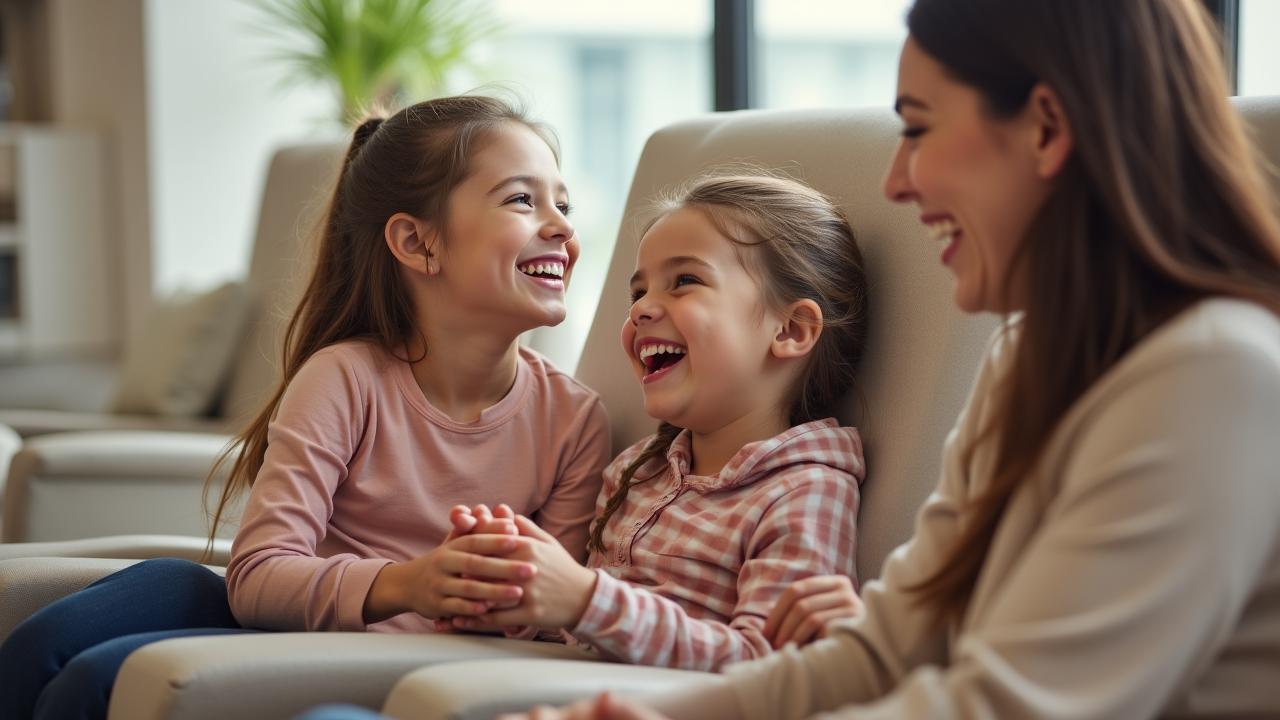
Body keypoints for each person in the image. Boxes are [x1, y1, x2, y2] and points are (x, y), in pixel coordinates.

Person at [512, 0, 1280, 718]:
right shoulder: (1027, 358)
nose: (896, 180)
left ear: (1045, 128)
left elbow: (1004, 707)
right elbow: (883, 650)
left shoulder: (1215, 374)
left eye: (917, 129)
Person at [0, 94, 611, 720]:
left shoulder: (573, 420)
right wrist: (409, 582)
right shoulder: (345, 377)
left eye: (563, 204)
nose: (562, 225)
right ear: (416, 243)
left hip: (381, 662)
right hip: (286, 622)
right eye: (521, 199)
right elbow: (259, 574)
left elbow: (547, 620)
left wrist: (496, 597)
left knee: (99, 680)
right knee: (97, 618)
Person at [438, 173, 869, 671]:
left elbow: (769, 668)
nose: (642, 308)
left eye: (685, 281)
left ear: (792, 330)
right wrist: (501, 594)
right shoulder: (636, 471)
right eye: (638, 292)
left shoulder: (805, 490)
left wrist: (584, 599)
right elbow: (579, 636)